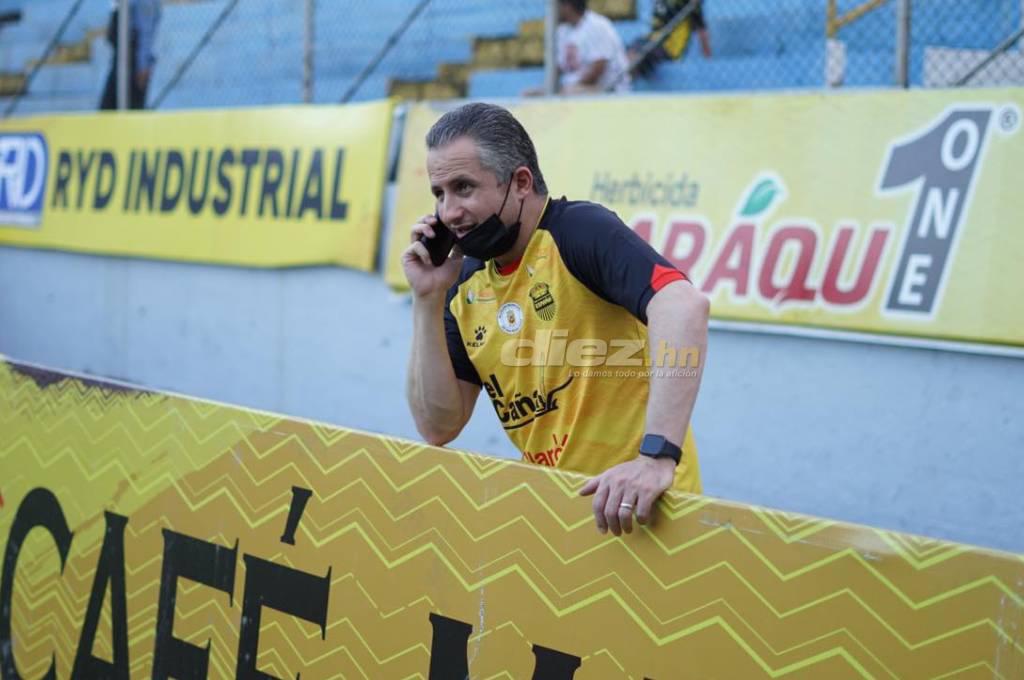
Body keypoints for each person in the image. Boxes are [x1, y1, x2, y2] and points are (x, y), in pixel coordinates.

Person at [402, 103, 709, 537]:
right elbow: (439, 426)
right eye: (439, 194)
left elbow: (683, 306)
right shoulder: (463, 282)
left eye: (463, 188)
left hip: (642, 510)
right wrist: (427, 299)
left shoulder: (579, 231)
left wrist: (656, 458)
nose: (448, 212)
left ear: (520, 183)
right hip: (557, 516)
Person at [525, 0, 631, 95]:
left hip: (608, 89)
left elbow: (598, 68)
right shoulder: (562, 30)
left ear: (567, 6)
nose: (551, 11)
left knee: (568, 92)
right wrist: (549, 89)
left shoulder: (597, 25)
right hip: (575, 89)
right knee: (530, 94)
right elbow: (558, 68)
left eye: (555, 6)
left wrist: (571, 87)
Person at [100, 0, 162, 110]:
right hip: (122, 58)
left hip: (133, 61)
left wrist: (142, 66)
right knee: (109, 108)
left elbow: (145, 32)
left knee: (131, 106)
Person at [629, 0, 712, 80]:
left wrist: (708, 62)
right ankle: (626, 80)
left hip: (670, 47)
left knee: (638, 53)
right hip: (652, 40)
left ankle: (625, 80)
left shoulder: (690, 3)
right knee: (632, 50)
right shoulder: (661, 3)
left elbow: (701, 30)